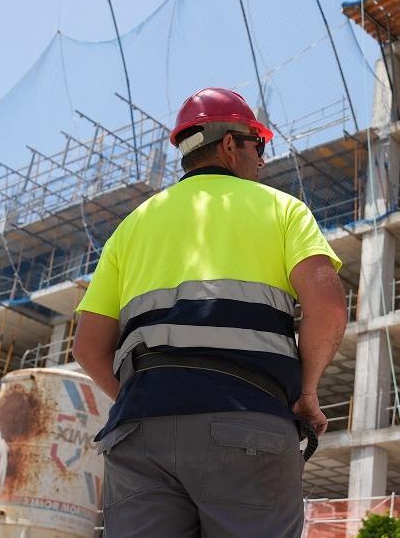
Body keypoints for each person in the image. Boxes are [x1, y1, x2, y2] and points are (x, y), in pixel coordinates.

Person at [72, 87, 348, 537]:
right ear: (228, 145)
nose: (262, 159)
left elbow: (87, 346)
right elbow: (329, 308)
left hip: (140, 432)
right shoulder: (281, 209)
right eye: (258, 145)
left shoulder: (132, 226)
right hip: (248, 423)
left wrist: (145, 394)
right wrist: (308, 393)